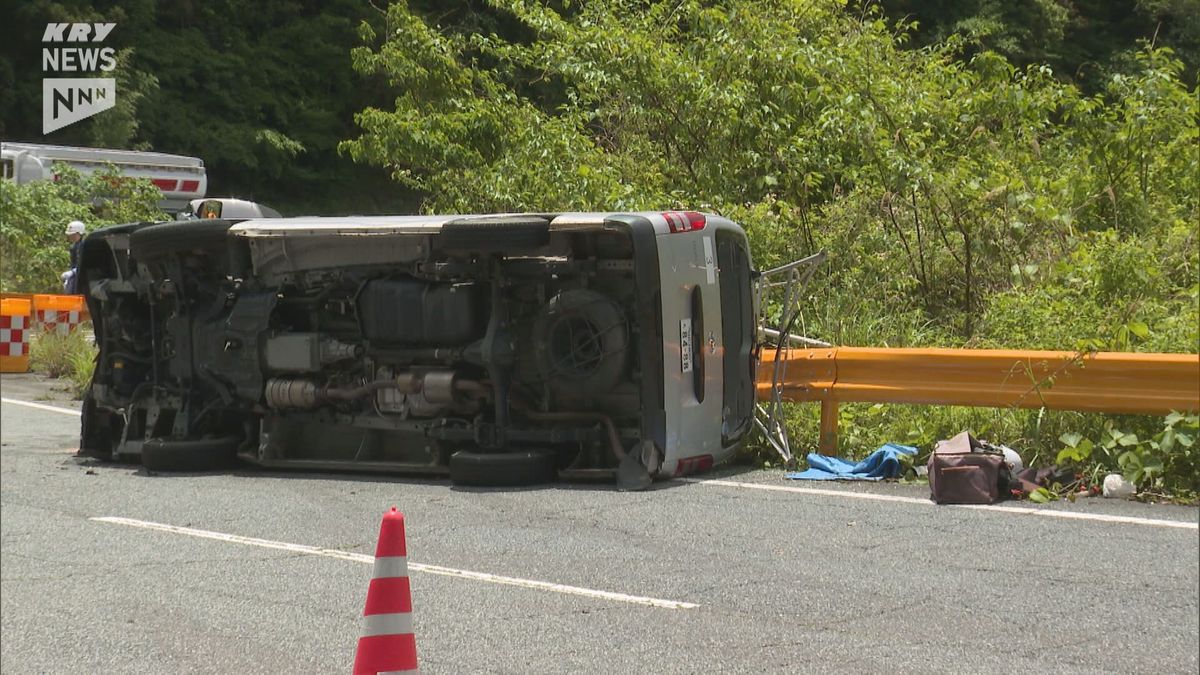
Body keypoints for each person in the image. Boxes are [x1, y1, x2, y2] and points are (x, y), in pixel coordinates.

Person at [61, 220, 85, 294]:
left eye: (73, 235)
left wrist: (73, 272)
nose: (71, 237)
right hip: (76, 275)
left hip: (84, 277)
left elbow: (85, 264)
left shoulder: (85, 246)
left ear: (79, 234)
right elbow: (74, 263)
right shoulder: (73, 247)